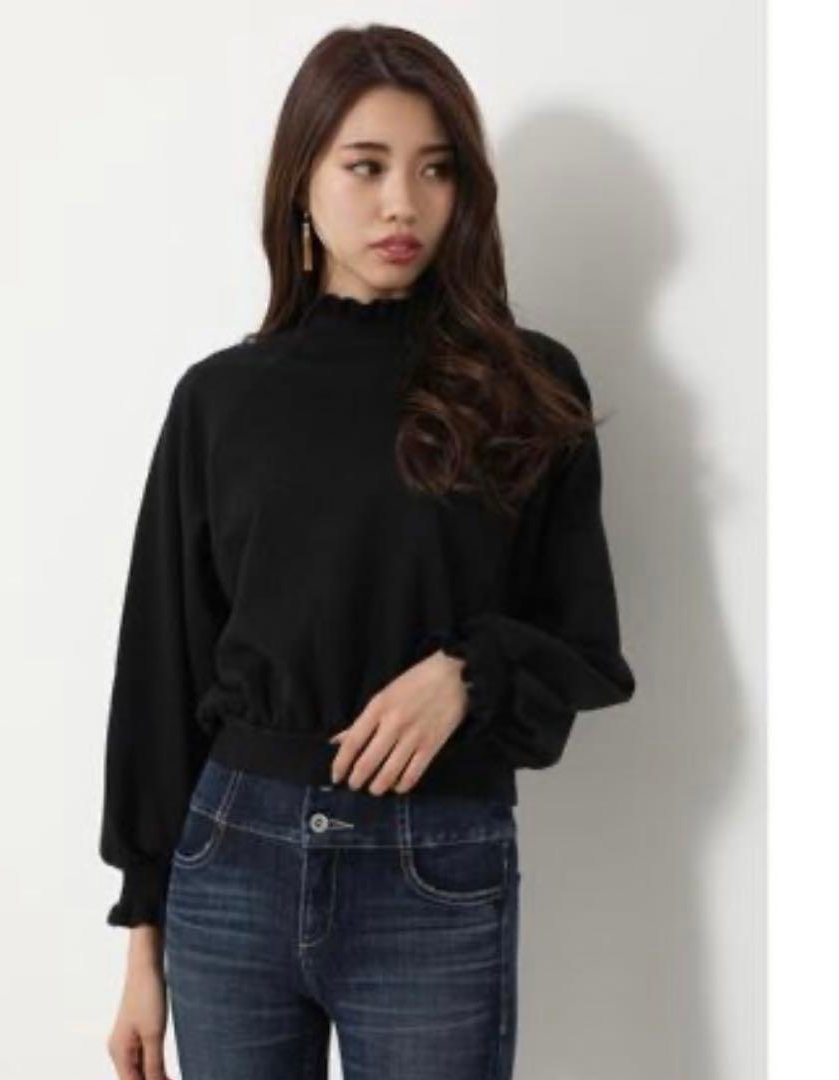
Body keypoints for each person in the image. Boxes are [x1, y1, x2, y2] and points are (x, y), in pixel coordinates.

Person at [100, 23, 636, 1080]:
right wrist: (141, 945)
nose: (403, 204)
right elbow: (161, 671)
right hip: (229, 863)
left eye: (436, 170)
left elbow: (586, 645)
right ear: (302, 182)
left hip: (433, 862)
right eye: (367, 166)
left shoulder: (526, 386)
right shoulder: (221, 400)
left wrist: (467, 672)